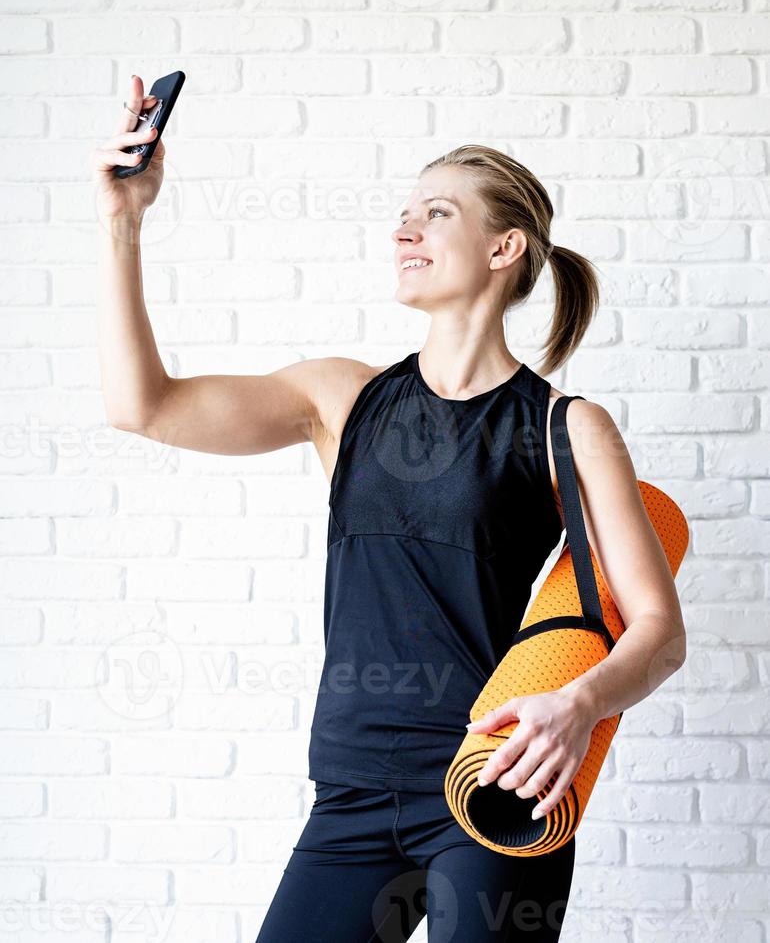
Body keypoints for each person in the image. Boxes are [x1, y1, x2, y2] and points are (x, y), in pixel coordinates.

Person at [91, 76, 687, 942]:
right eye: (406, 212)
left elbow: (658, 631)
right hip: (352, 793)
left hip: (494, 779)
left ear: (504, 247)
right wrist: (123, 220)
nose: (405, 228)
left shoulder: (565, 426)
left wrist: (582, 702)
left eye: (438, 213)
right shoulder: (341, 398)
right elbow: (140, 406)